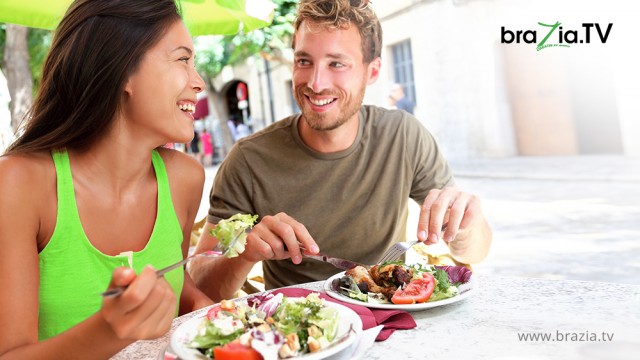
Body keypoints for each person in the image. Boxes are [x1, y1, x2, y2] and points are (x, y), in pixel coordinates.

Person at [189, 0, 492, 300]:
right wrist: (245, 254)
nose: (316, 83)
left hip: (390, 321)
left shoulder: (403, 136)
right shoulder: (248, 160)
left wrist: (466, 225)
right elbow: (200, 288)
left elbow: (476, 252)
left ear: (372, 72)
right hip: (298, 336)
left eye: (336, 64)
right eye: (304, 61)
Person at [0, 0, 214, 358]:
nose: (199, 82)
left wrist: (218, 316)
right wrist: (108, 330)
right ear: (122, 70)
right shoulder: (19, 185)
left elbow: (178, 288)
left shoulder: (184, 179)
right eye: (182, 60)